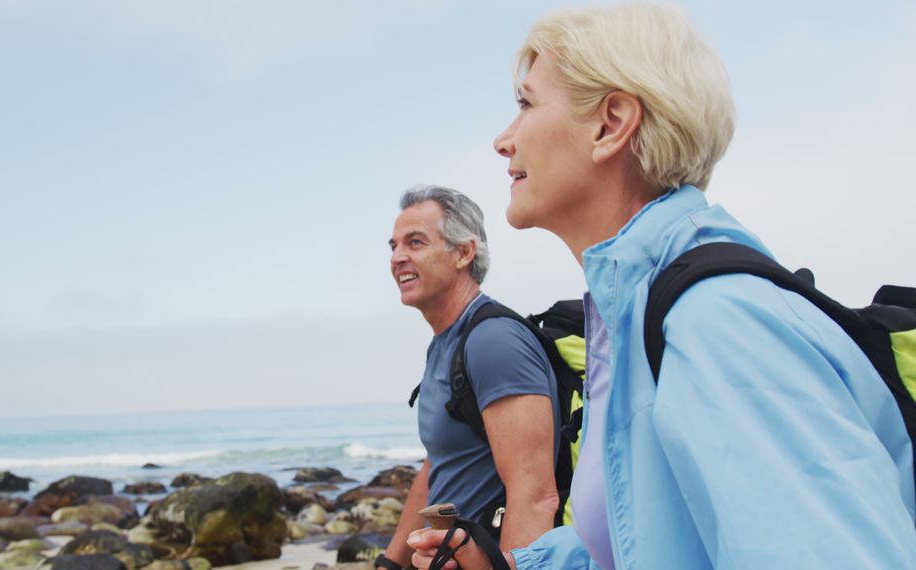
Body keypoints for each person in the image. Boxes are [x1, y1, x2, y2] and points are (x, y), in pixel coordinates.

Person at [407, 3, 916, 569]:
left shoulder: (718, 323)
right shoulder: (631, 313)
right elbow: (640, 542)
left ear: (611, 124)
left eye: (526, 103)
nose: (504, 140)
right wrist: (511, 566)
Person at [378, 185, 563, 570]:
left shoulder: (494, 341)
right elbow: (437, 465)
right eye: (393, 246)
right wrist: (390, 563)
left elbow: (534, 495)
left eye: (415, 242)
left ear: (464, 252)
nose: (397, 257)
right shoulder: (444, 344)